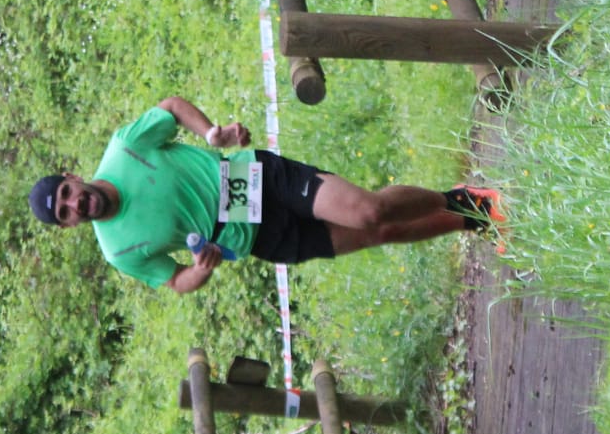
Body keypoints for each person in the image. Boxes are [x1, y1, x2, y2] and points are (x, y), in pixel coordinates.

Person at [27, 97, 505, 293]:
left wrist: (212, 131)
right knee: (380, 233)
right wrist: (199, 270)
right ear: (68, 226)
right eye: (66, 213)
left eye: (68, 194)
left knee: (369, 211)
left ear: (71, 176)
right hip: (255, 239)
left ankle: (463, 199)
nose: (76, 204)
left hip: (250, 177)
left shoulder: (124, 148)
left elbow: (170, 108)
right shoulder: (118, 251)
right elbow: (174, 282)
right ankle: (473, 213)